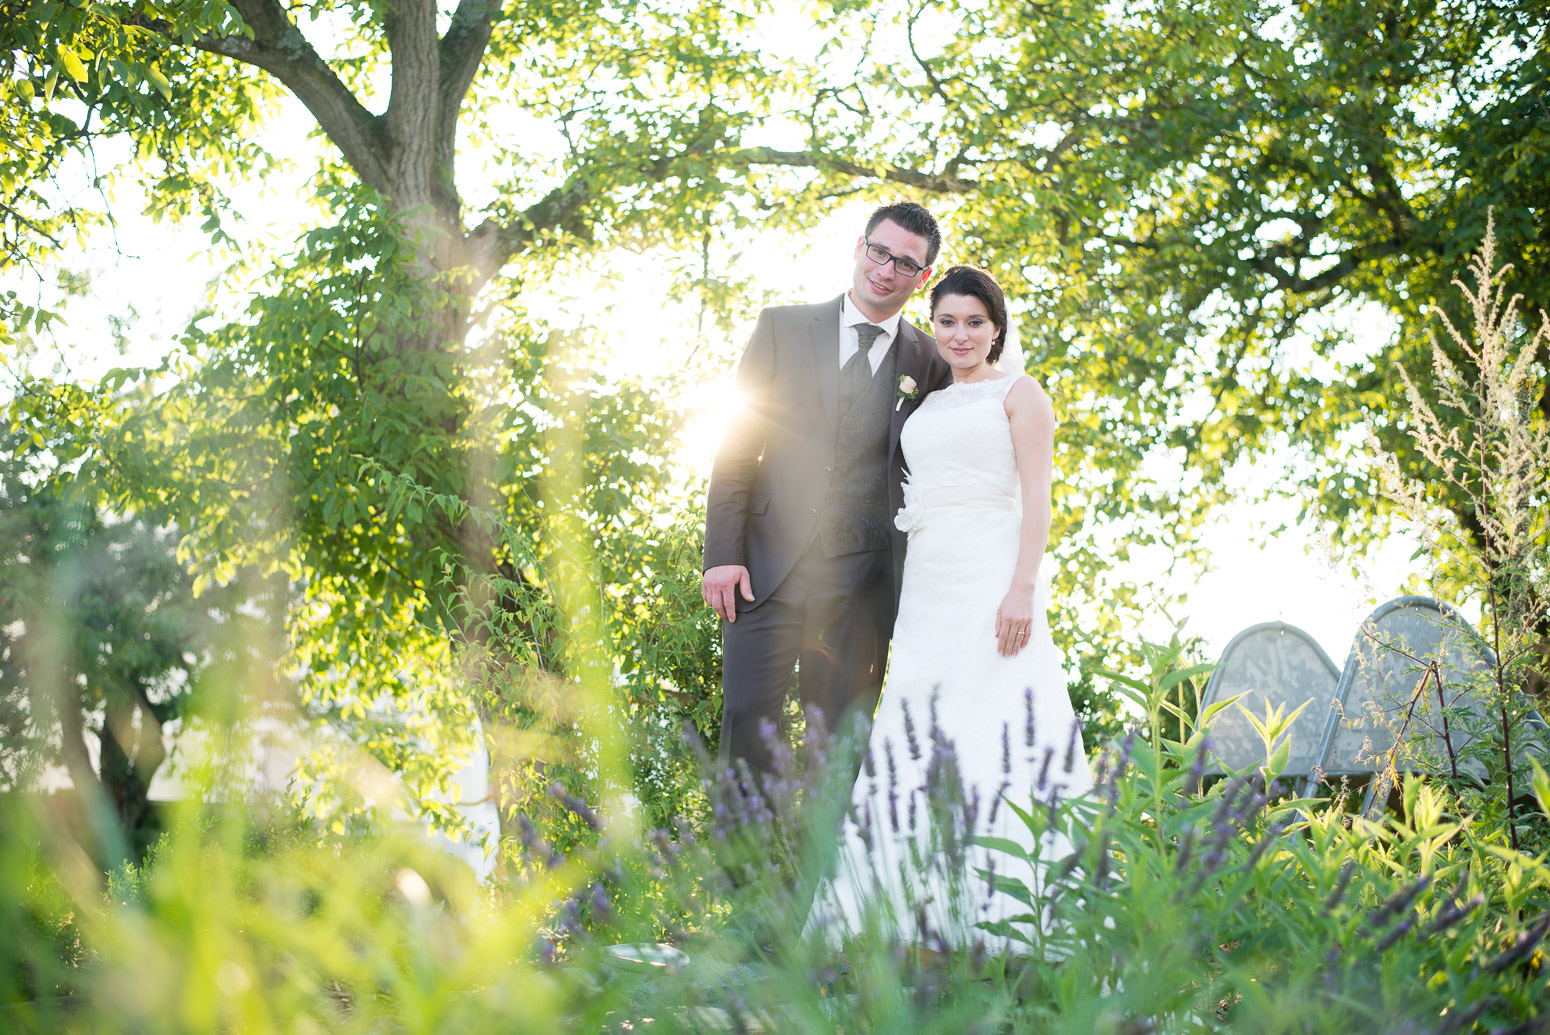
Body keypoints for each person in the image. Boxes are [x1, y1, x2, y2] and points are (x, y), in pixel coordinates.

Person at [813, 264, 1095, 950]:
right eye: (947, 321)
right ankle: (905, 912)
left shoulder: (1021, 395)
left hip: (994, 570)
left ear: (996, 326)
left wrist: (1022, 585)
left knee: (1000, 715)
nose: (960, 334)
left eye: (974, 321)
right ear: (931, 325)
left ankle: (1017, 916)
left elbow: (1038, 498)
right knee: (919, 719)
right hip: (929, 582)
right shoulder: (927, 402)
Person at [701, 201, 954, 780]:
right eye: (880, 252)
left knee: (837, 751)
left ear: (922, 278)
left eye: (906, 264)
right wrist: (723, 557)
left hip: (863, 587)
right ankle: (743, 873)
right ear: (859, 248)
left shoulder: (931, 360)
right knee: (745, 728)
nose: (887, 270)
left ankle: (818, 873)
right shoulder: (782, 327)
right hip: (762, 572)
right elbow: (738, 446)